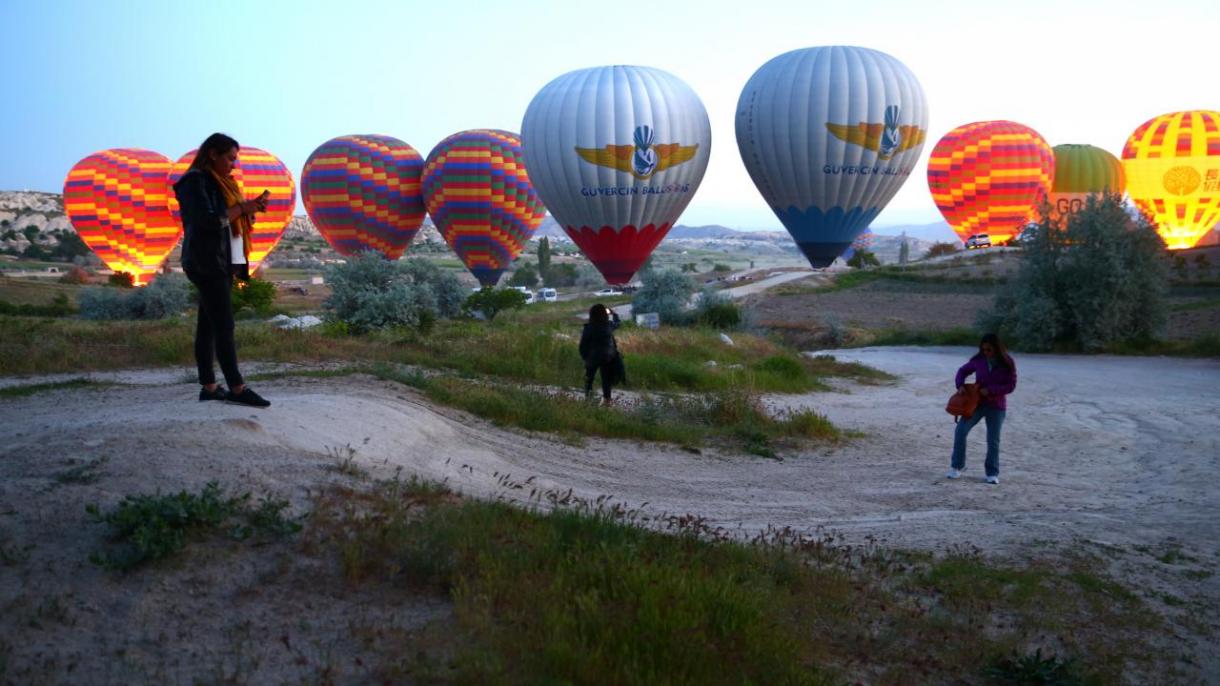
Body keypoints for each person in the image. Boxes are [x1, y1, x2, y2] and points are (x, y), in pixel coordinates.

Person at [174, 132, 271, 408]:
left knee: (208, 326)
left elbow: (227, 222)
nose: (234, 164)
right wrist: (242, 208)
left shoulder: (221, 184)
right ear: (212, 154)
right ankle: (238, 389)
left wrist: (246, 210)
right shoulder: (195, 182)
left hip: (221, 261)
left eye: (235, 159)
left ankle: (210, 387)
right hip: (207, 262)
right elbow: (208, 222)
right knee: (224, 325)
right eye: (230, 158)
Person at [947, 333, 1017, 484]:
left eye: (989, 350)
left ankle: (992, 473)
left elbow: (1011, 386)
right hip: (976, 403)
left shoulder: (1008, 362)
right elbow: (962, 371)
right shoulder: (978, 360)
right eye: (983, 349)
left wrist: (991, 390)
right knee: (961, 430)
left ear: (997, 349)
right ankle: (957, 466)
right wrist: (960, 386)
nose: (986, 352)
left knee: (993, 440)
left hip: (997, 407)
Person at [579, 303, 621, 405]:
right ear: (604, 314)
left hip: (592, 357)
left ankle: (588, 399)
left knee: (589, 379)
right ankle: (607, 401)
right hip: (607, 357)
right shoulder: (609, 325)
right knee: (606, 380)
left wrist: (585, 357)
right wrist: (614, 313)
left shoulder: (588, 328)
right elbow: (618, 323)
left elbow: (583, 345)